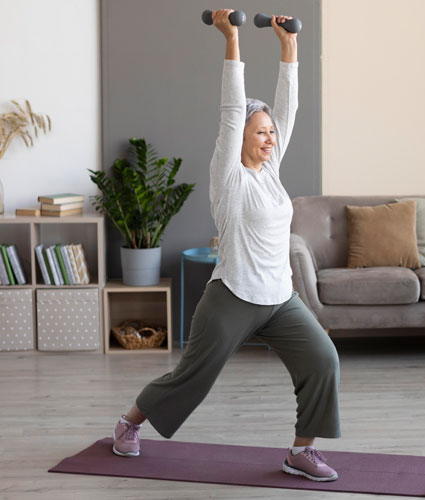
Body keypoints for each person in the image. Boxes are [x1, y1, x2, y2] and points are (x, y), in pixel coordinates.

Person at [111, 9, 341, 482]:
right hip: (233, 296)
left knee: (323, 359)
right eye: (261, 132)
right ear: (239, 139)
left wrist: (288, 46)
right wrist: (231, 38)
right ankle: (130, 422)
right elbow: (233, 109)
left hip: (280, 298)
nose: (270, 138)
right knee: (191, 378)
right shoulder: (229, 176)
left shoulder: (271, 171)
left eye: (271, 133)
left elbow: (289, 107)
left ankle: (302, 451)